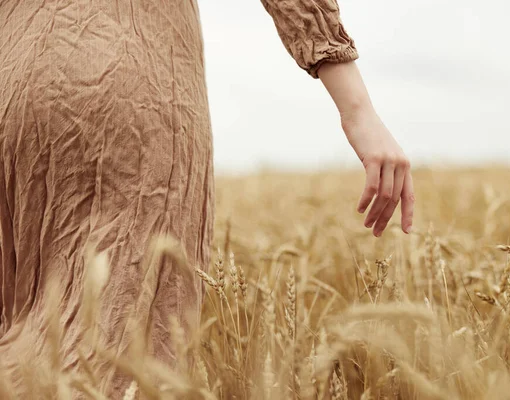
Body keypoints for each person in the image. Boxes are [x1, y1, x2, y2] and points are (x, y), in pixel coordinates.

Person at [0, 0, 414, 397]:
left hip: (15, 78)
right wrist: (357, 109)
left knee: (28, 325)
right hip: (129, 78)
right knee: (126, 352)